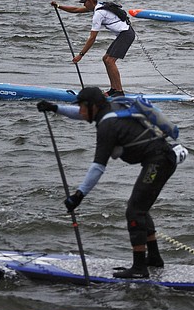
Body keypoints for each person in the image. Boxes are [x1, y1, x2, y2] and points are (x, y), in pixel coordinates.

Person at [37, 87, 179, 278]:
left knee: (134, 211)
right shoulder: (111, 107)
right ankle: (153, 257)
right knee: (139, 208)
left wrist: (79, 195)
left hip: (159, 162)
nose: (79, 111)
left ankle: (139, 268)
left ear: (93, 106)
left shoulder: (107, 126)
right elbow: (80, 115)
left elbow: (98, 167)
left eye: (81, 106)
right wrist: (55, 108)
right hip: (161, 158)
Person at [51, 0, 135, 97]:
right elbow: (75, 10)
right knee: (106, 59)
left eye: (84, 2)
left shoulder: (98, 14)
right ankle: (114, 90)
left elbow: (92, 38)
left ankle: (119, 92)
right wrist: (59, 6)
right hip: (124, 34)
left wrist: (80, 55)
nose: (83, 5)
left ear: (90, 2)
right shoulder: (99, 7)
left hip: (126, 34)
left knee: (110, 61)